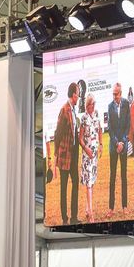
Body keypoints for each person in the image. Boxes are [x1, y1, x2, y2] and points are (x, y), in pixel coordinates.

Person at [55, 82, 81, 224]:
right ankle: (65, 219)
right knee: (64, 188)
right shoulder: (64, 110)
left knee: (75, 183)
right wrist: (56, 155)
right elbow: (58, 133)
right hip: (65, 155)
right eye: (78, 93)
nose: (79, 96)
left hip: (73, 155)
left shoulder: (73, 110)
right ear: (73, 94)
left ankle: (74, 217)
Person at [106, 83, 131, 214]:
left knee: (124, 176)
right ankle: (111, 208)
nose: (114, 96)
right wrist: (116, 143)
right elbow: (109, 127)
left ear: (120, 94)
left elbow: (128, 124)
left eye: (116, 94)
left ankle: (124, 206)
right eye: (113, 94)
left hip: (124, 145)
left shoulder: (127, 104)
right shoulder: (110, 107)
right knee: (112, 177)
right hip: (113, 147)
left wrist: (123, 142)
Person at [78, 94, 102, 223]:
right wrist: (86, 149)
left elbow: (99, 131)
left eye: (93, 104)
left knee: (91, 182)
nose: (92, 106)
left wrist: (101, 145)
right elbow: (80, 138)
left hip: (95, 155)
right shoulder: (83, 118)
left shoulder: (97, 117)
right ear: (87, 105)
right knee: (88, 183)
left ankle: (88, 208)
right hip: (87, 155)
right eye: (90, 104)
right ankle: (91, 212)